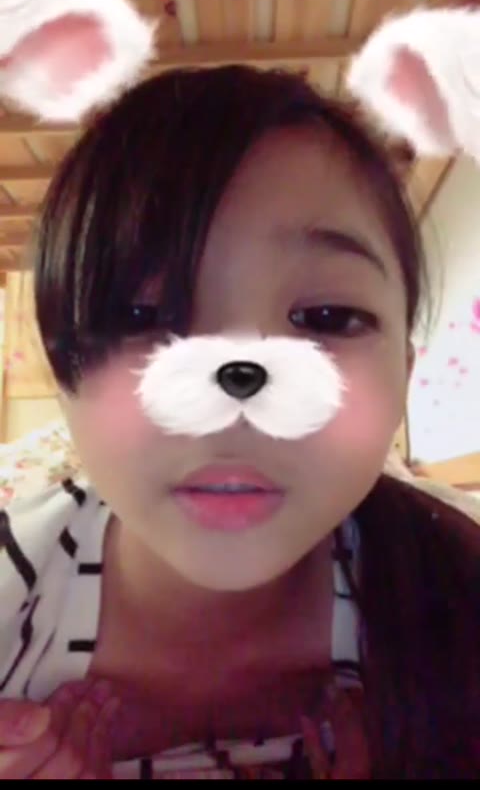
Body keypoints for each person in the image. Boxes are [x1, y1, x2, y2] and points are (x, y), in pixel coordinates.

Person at [0, 64, 479, 780]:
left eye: (325, 317)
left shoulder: (458, 580)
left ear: (403, 374)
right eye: (142, 316)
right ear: (58, 368)